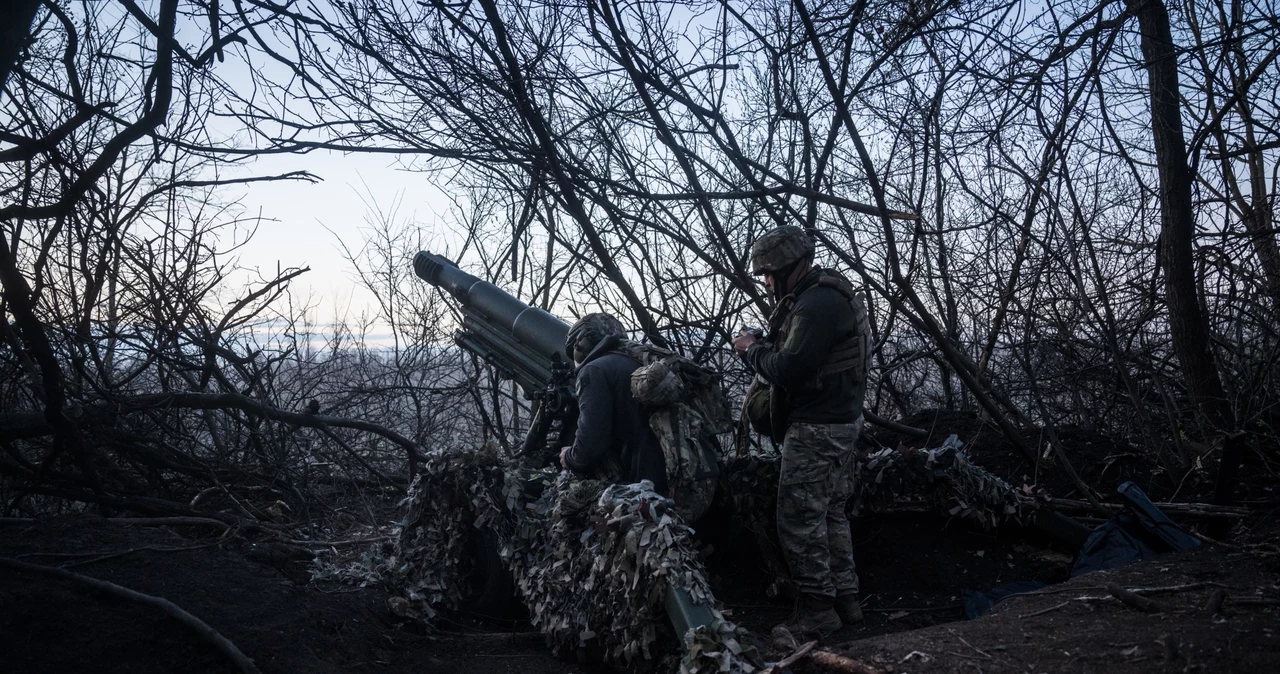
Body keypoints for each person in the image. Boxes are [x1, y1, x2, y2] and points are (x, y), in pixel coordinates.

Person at [731, 226, 872, 640]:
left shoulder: (815, 305)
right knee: (829, 513)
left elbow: (790, 370)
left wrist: (750, 350)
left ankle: (817, 612)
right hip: (840, 423)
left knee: (797, 520)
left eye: (770, 273)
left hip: (818, 429)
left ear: (792, 265)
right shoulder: (827, 293)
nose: (768, 282)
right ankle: (847, 601)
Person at [558, 313, 669, 495]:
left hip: (646, 488)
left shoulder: (593, 371)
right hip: (674, 475)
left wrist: (569, 457)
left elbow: (591, 444)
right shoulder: (637, 362)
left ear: (580, 345)